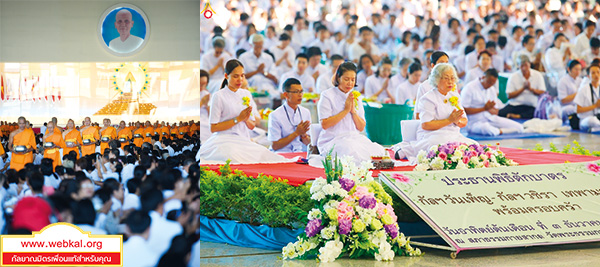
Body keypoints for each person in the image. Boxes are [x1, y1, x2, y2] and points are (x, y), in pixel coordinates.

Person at [199, 59, 290, 163]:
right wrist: (238, 119)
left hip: (243, 139)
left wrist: (246, 119)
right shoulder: (218, 96)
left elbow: (251, 125)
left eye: (242, 75)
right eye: (235, 76)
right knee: (232, 156)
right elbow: (214, 128)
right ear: (226, 76)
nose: (240, 79)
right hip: (224, 139)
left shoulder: (246, 94)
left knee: (265, 155)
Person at [392, 63, 476, 160]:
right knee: (440, 146)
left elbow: (464, 120)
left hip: (454, 134)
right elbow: (426, 125)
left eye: (452, 78)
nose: (450, 82)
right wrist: (449, 120)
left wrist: (458, 121)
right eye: (446, 78)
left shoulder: (455, 96)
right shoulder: (428, 98)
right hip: (432, 134)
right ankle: (409, 150)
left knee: (473, 146)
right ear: (436, 79)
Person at [317, 62, 386, 163]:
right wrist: (345, 110)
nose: (350, 83)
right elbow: (325, 124)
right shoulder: (327, 95)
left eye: (352, 80)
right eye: (346, 79)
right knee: (351, 151)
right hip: (333, 140)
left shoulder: (356, 97)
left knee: (378, 150)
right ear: (338, 78)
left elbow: (361, 127)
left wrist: (353, 112)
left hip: (354, 138)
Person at [461, 69, 524, 136]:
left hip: (490, 118)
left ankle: (499, 131)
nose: (490, 85)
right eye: (489, 82)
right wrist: (484, 108)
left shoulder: (492, 89)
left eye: (493, 83)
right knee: (487, 129)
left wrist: (490, 109)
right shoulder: (469, 88)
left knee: (519, 127)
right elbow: (464, 110)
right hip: (474, 122)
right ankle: (500, 131)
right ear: (483, 77)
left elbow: (495, 111)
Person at [268, 78, 312, 152]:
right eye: (296, 92)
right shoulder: (275, 115)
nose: (300, 95)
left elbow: (309, 143)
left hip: (300, 152)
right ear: (286, 95)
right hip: (282, 154)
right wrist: (296, 133)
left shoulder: (305, 112)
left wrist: (304, 135)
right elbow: (275, 145)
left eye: (301, 91)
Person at [238, 34, 278, 99]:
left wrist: (263, 72)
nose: (259, 49)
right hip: (251, 85)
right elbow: (241, 76)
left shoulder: (268, 58)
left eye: (260, 46)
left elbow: (274, 77)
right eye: (256, 46)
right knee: (256, 79)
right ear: (251, 45)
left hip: (266, 86)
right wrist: (257, 71)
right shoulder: (243, 57)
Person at [414, 51, 449, 119]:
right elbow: (418, 114)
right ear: (433, 65)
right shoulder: (424, 86)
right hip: (430, 125)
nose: (445, 67)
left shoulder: (452, 85)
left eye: (447, 63)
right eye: (441, 63)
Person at [574, 64, 600, 132]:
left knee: (595, 122)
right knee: (592, 120)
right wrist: (595, 106)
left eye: (598, 72)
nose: (596, 75)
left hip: (598, 117)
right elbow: (577, 110)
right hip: (586, 119)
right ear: (588, 76)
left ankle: (594, 130)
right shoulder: (584, 89)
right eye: (593, 73)